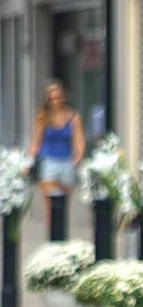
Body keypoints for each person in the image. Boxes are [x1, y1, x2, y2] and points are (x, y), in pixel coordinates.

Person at [27, 79, 86, 228]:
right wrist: (28, 161)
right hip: (48, 160)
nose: (55, 101)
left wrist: (77, 157)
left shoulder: (73, 116)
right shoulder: (42, 116)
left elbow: (79, 139)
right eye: (51, 98)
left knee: (63, 203)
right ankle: (52, 234)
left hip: (66, 161)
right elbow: (36, 140)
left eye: (57, 97)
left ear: (63, 97)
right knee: (50, 202)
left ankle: (61, 233)